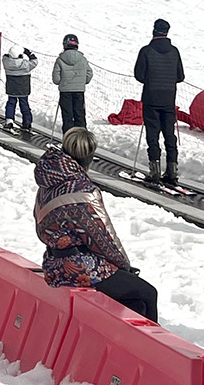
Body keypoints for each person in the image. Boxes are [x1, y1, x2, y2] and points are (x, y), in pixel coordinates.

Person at [35, 127, 157, 321]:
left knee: (129, 293)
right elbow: (104, 237)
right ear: (90, 157)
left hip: (53, 263)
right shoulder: (84, 190)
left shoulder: (48, 181)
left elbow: (40, 226)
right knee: (147, 294)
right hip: (78, 268)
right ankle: (151, 350)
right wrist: (125, 266)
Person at [134, 19, 185, 186]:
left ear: (154, 31)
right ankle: (172, 170)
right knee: (170, 135)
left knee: (153, 135)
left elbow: (139, 75)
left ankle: (154, 170)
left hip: (151, 97)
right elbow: (180, 76)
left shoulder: (146, 51)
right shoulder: (174, 51)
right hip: (169, 98)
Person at [53, 35, 93, 132]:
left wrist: (62, 81)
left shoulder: (60, 59)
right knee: (79, 114)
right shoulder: (82, 59)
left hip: (65, 91)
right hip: (79, 91)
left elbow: (56, 79)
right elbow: (89, 73)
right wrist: (83, 81)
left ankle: (68, 140)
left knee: (67, 116)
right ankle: (82, 140)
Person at [2, 45, 39, 132]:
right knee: (24, 105)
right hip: (23, 90)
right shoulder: (25, 65)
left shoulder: (6, 62)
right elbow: (35, 61)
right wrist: (28, 53)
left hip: (11, 89)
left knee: (11, 103)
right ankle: (27, 123)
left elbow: (5, 56)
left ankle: (9, 120)